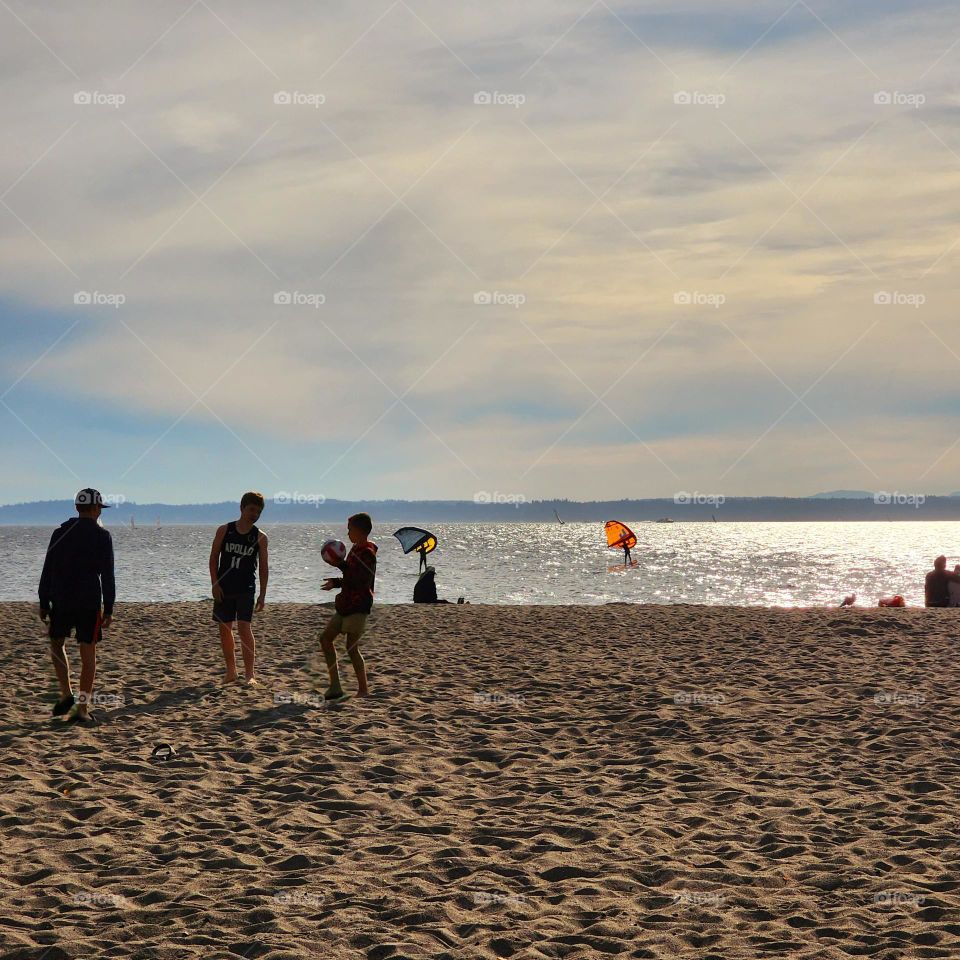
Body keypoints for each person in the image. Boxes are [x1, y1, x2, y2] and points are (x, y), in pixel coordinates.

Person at [38, 488, 116, 723]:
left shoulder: (60, 532)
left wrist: (43, 600)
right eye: (99, 508)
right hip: (88, 601)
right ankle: (81, 708)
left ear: (76, 507)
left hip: (61, 598)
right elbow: (108, 575)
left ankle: (66, 694)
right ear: (95, 509)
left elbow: (48, 567)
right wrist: (109, 607)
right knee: (88, 653)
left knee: (57, 643)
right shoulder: (102, 536)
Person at [209, 492, 268, 684]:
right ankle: (231, 672)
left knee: (244, 628)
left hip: (246, 588)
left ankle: (250, 674)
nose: (254, 514)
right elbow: (213, 558)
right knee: (225, 629)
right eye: (251, 510)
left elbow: (264, 568)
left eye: (258, 512)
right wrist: (214, 583)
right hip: (224, 587)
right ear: (242, 508)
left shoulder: (260, 537)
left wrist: (262, 595)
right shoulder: (224, 530)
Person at [320, 513, 377, 700]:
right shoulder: (354, 549)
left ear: (359, 531)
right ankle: (335, 686)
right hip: (345, 604)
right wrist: (336, 581)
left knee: (352, 648)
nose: (348, 533)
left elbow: (361, 581)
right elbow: (350, 576)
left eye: (350, 529)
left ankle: (363, 690)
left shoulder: (368, 553)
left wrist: (340, 566)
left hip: (359, 605)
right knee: (325, 639)